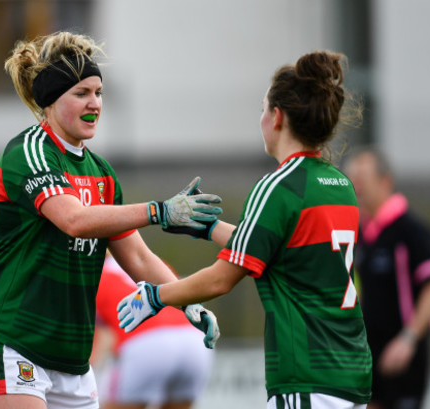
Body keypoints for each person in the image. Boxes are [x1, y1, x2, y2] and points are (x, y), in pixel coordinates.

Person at [0, 31, 222, 409]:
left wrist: (188, 302)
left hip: (72, 360)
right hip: (11, 340)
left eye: (98, 93)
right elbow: (74, 220)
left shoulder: (102, 172)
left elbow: (138, 258)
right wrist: (159, 211)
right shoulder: (29, 151)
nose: (95, 103)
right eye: (81, 94)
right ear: (50, 100)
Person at [117, 50, 372, 409]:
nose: (261, 119)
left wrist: (158, 296)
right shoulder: (339, 184)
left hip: (307, 376)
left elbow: (220, 280)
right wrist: (210, 229)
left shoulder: (278, 186)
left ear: (278, 117)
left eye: (263, 109)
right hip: (352, 371)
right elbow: (287, 251)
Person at [344, 148, 430, 409]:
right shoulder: (361, 232)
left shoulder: (411, 229)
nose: (357, 185)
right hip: (371, 353)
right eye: (353, 179)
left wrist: (408, 339)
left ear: (385, 181)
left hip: (405, 354)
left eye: (363, 178)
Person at [92, 254, 213, 409]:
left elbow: (96, 342)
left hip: (145, 343)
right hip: (194, 339)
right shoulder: (154, 261)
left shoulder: (92, 273)